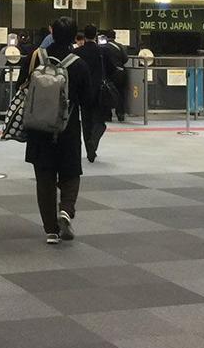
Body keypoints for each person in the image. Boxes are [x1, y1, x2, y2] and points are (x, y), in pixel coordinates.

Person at [19, 16, 89, 244]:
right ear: (73, 37)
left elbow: (23, 85)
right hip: (67, 127)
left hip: (39, 128)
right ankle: (66, 210)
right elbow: (88, 99)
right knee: (70, 173)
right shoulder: (78, 63)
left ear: (51, 32)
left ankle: (51, 230)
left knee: (44, 176)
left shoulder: (36, 58)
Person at [74, 23, 108, 163]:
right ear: (96, 34)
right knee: (100, 120)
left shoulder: (77, 53)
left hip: (83, 92)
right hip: (99, 91)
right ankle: (94, 140)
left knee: (86, 121)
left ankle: (90, 150)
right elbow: (111, 69)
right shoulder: (103, 51)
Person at [102, 29, 128, 122]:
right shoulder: (121, 47)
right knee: (120, 94)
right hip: (121, 73)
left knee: (108, 94)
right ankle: (120, 114)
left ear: (106, 37)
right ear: (115, 37)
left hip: (109, 74)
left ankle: (108, 115)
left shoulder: (104, 48)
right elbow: (125, 59)